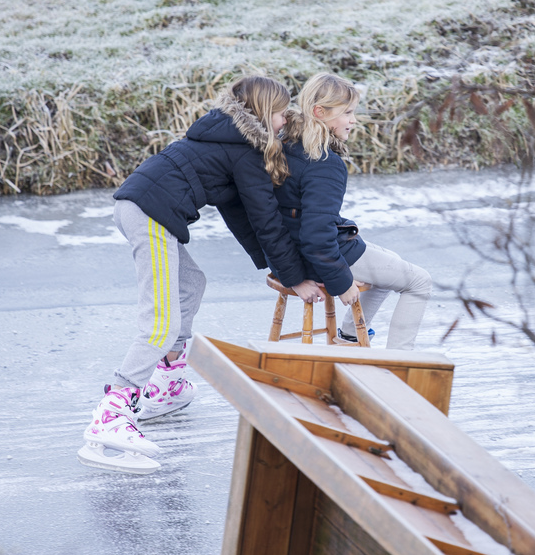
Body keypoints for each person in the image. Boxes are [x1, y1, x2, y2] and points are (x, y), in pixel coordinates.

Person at [79, 76, 326, 473]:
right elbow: (265, 222)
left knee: (191, 284)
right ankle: (113, 412)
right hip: (151, 213)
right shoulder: (245, 152)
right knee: (160, 322)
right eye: (281, 113)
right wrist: (295, 277)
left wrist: (278, 267)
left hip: (137, 206)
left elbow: (242, 218)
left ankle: (169, 381)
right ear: (264, 112)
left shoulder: (225, 138)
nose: (285, 121)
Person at [273, 72, 432, 350]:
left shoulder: (284, 147)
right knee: (419, 281)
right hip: (317, 258)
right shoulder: (323, 162)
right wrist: (341, 281)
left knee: (391, 262)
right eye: (347, 112)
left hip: (290, 252)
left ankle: (348, 336)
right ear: (319, 112)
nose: (353, 120)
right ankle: (401, 360)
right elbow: (317, 235)